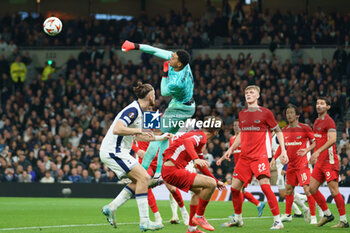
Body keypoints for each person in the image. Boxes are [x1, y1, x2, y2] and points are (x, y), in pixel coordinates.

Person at [99, 82, 171, 231]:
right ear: (150, 96)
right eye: (154, 95)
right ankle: (144, 222)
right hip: (114, 151)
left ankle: (111, 207)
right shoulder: (133, 110)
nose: (155, 97)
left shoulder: (140, 112)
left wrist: (161, 138)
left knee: (139, 181)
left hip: (120, 151)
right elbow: (118, 129)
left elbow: (140, 137)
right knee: (144, 178)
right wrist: (139, 130)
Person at [122, 40, 195, 177]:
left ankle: (143, 171)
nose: (170, 57)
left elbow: (164, 92)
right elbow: (155, 51)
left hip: (180, 109)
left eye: (173, 57)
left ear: (179, 64)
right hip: (185, 106)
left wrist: (165, 73)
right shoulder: (180, 62)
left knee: (157, 135)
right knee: (165, 137)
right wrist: (135, 46)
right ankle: (159, 173)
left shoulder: (177, 82)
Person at [221, 85, 288, 230]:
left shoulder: (265, 113)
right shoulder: (242, 114)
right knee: (234, 188)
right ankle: (238, 219)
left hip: (259, 157)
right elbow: (242, 134)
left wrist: (284, 151)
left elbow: (279, 131)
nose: (248, 94)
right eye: (246, 92)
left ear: (258, 95)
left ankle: (278, 221)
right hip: (244, 158)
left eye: (251, 92)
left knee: (265, 187)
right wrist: (231, 149)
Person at [161, 116, 226, 233]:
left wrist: (216, 180)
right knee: (209, 184)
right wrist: (195, 159)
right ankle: (199, 216)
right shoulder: (202, 137)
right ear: (216, 132)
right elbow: (187, 142)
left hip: (169, 169)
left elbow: (202, 166)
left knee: (199, 190)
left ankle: (192, 228)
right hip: (173, 170)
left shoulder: (197, 135)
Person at [271, 104, 317, 224]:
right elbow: (282, 147)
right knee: (288, 190)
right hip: (290, 165)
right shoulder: (284, 130)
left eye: (291, 113)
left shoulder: (305, 128)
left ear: (297, 115)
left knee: (307, 190)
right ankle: (288, 214)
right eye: (287, 113)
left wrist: (307, 150)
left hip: (302, 164)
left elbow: (315, 142)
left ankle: (313, 216)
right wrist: (273, 159)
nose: (289, 115)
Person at [309, 97, 348, 228]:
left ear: (328, 107)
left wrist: (318, 151)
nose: (318, 106)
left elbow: (332, 140)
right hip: (320, 161)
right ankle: (327, 214)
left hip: (330, 161)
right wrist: (309, 151)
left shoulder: (329, 122)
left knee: (334, 190)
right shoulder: (316, 121)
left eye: (322, 104)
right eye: (317, 103)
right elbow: (316, 140)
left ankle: (344, 220)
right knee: (312, 188)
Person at [132, 140, 189, 227]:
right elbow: (127, 140)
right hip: (145, 159)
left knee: (172, 188)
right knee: (145, 185)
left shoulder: (161, 128)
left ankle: (183, 211)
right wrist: (137, 150)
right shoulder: (137, 127)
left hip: (160, 160)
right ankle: (157, 217)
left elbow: (167, 140)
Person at [217, 120, 266, 218]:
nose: (236, 127)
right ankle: (258, 204)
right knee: (240, 190)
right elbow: (229, 151)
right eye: (234, 125)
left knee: (239, 190)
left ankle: (238, 214)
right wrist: (221, 159)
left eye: (238, 125)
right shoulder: (232, 139)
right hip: (237, 167)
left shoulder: (246, 138)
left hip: (246, 167)